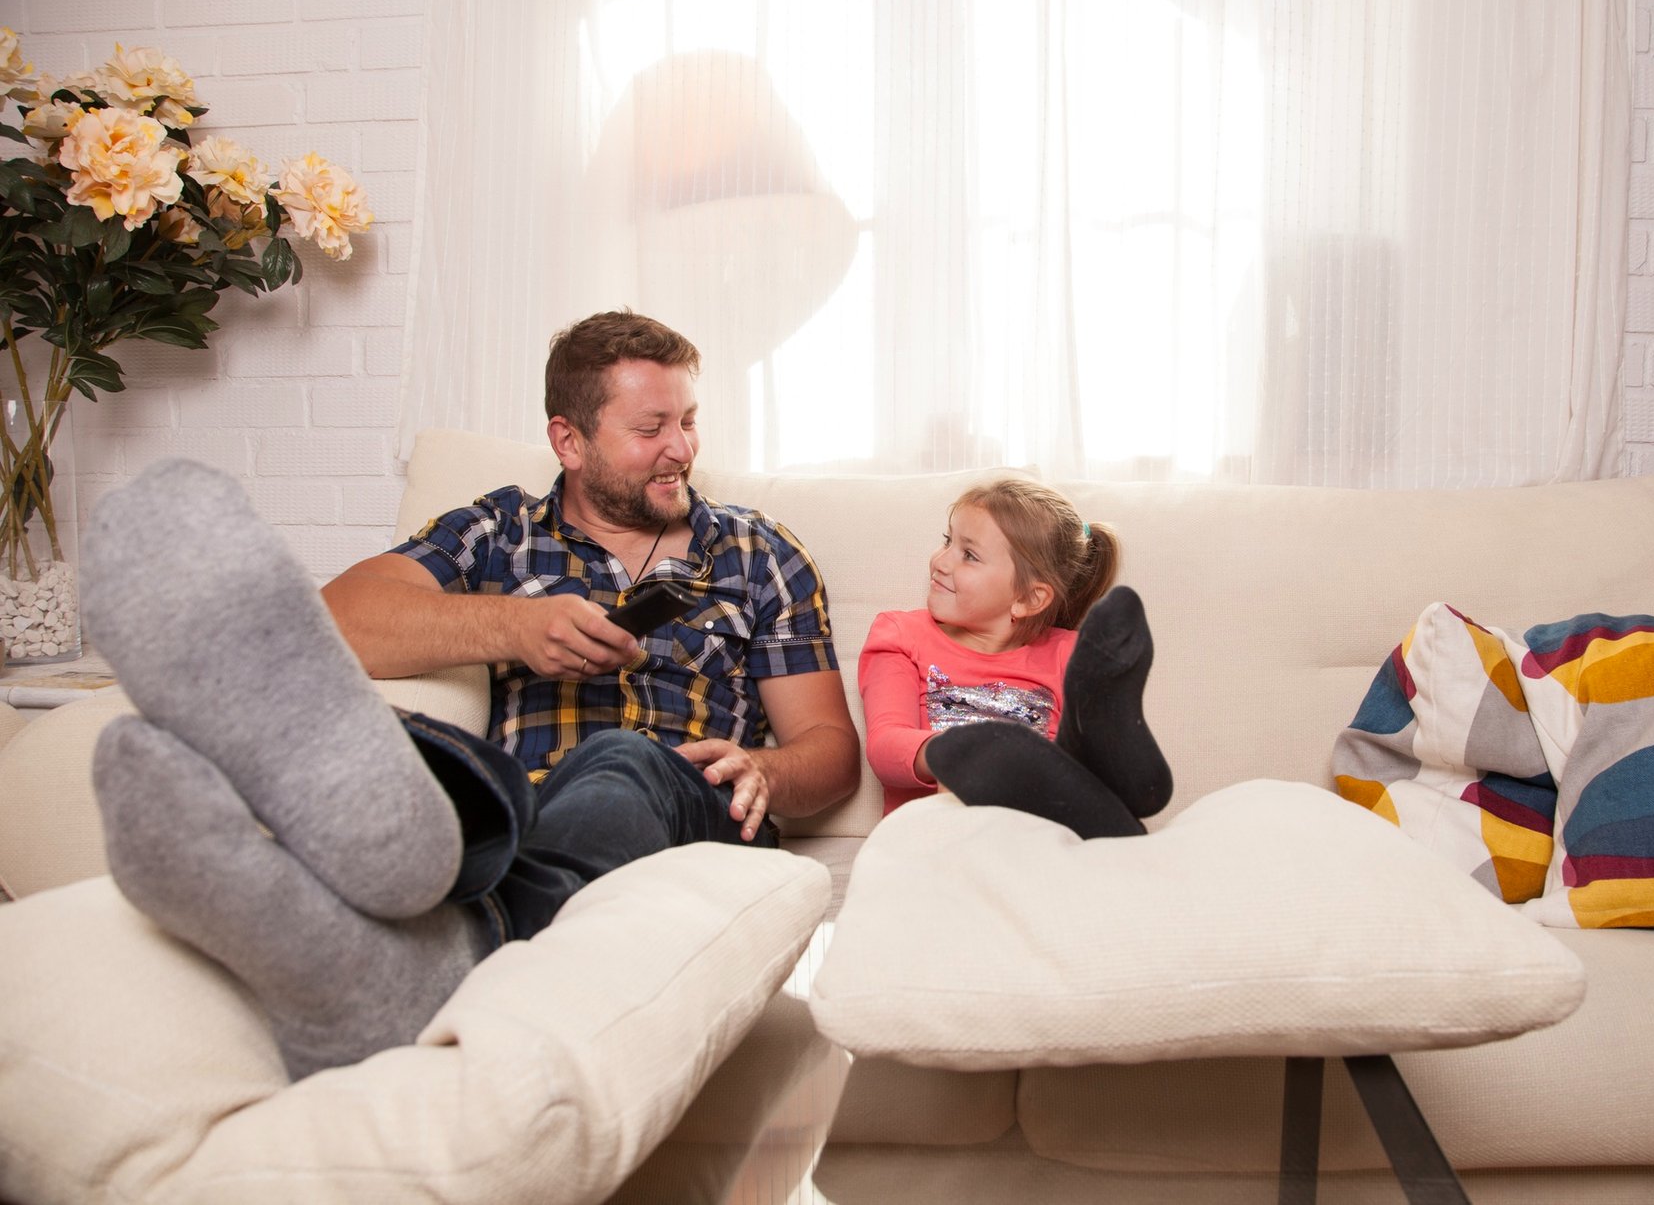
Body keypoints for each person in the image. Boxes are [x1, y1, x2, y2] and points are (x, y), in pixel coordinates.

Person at [82, 310, 859, 1081]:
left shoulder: (759, 552)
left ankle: (448, 957)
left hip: (698, 811)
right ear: (569, 440)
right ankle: (338, 902)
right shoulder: (500, 531)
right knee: (441, 772)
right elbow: (337, 621)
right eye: (652, 427)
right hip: (522, 813)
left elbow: (829, 751)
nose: (682, 449)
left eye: (688, 421)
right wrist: (512, 627)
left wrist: (763, 771)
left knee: (621, 758)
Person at [857, 476, 1172, 837]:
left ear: (1029, 599)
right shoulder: (900, 635)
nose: (941, 562)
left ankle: (1128, 767)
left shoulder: (1072, 654)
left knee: (1084, 780)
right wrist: (964, 754)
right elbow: (885, 748)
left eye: (969, 555)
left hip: (1039, 833)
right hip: (934, 834)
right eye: (947, 541)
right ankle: (1131, 791)